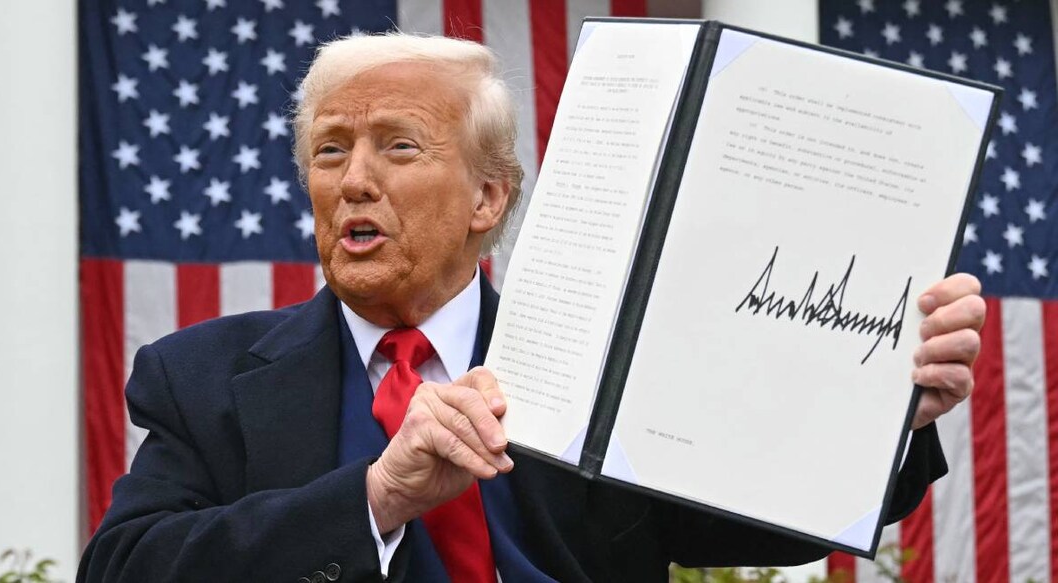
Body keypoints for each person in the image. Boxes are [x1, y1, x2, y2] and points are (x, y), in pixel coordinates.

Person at [77, 33, 984, 583]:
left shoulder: (611, 359)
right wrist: (377, 496)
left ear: (488, 198)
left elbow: (759, 521)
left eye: (398, 146)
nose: (354, 181)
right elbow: (126, 569)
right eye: (330, 151)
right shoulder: (200, 376)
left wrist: (884, 408)